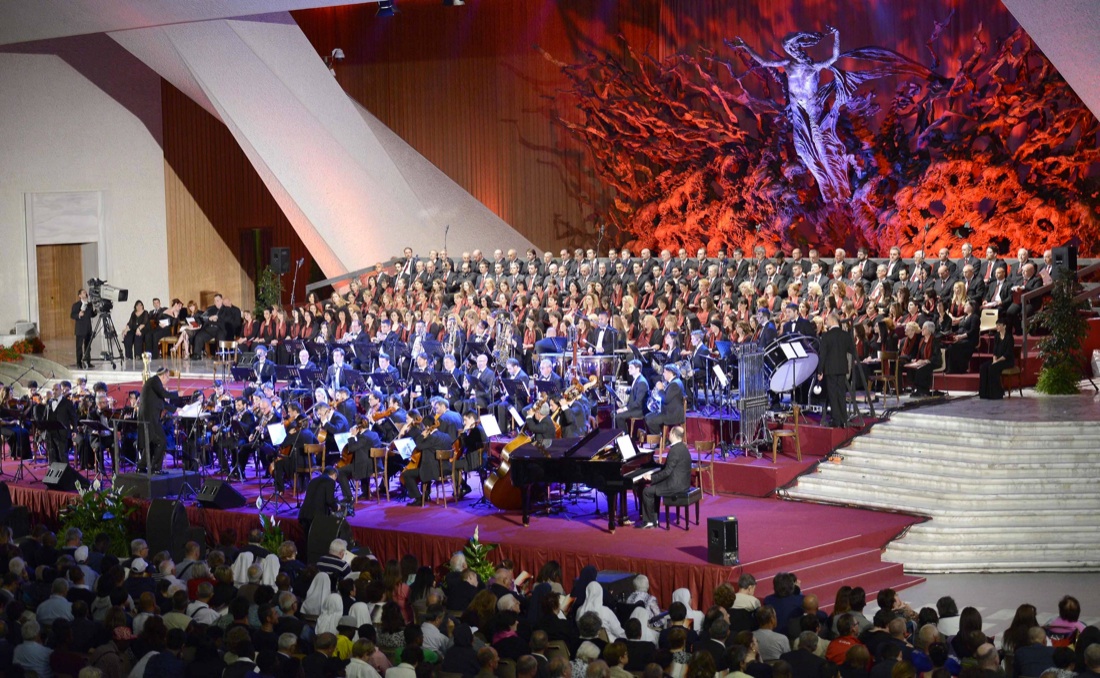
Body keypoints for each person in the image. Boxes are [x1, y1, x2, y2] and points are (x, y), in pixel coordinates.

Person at [635, 425, 691, 529]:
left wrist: (652, 477)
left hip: (675, 485)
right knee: (653, 488)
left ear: (673, 435)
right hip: (683, 482)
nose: (668, 434)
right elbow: (668, 468)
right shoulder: (683, 447)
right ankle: (654, 518)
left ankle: (649, 521)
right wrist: (656, 468)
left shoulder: (674, 451)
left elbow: (667, 472)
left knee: (647, 492)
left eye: (670, 433)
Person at [817, 313, 856, 428]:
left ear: (833, 321)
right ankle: (844, 419)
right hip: (842, 369)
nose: (826, 322)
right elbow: (852, 350)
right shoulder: (845, 335)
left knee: (833, 395)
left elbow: (822, 355)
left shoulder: (826, 336)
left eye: (827, 320)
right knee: (841, 394)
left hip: (830, 369)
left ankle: (836, 420)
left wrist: (820, 371)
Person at [138, 366, 177, 474]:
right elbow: (164, 394)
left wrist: (176, 409)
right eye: (168, 377)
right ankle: (155, 468)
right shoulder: (155, 381)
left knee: (151, 441)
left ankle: (142, 466)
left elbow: (162, 402)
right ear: (163, 375)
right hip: (150, 418)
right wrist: (177, 394)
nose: (168, 379)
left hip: (149, 417)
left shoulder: (154, 385)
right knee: (162, 441)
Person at [979, 316, 1015, 400]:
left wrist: (997, 361)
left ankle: (997, 393)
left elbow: (1007, 354)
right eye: (997, 325)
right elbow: (995, 351)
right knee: (983, 367)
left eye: (999, 325)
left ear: (1004, 326)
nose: (997, 327)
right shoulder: (997, 336)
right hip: (998, 359)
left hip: (1007, 361)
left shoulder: (1009, 338)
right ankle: (985, 393)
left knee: (992, 368)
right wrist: (994, 359)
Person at [299, 466, 339, 538]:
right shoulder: (330, 481)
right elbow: (329, 500)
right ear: (334, 475)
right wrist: (336, 507)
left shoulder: (313, 480)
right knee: (316, 542)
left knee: (307, 541)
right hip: (317, 517)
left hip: (304, 514)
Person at [644, 364, 685, 432]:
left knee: (650, 420)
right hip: (668, 411)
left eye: (665, 372)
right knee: (647, 416)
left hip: (672, 414)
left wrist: (660, 389)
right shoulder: (673, 382)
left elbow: (666, 399)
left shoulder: (675, 384)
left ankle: (661, 439)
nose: (663, 374)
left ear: (670, 373)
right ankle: (659, 437)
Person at [614, 360, 649, 432]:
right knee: (614, 413)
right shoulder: (637, 379)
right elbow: (635, 390)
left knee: (618, 416)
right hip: (634, 407)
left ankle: (625, 437)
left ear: (638, 369)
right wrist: (626, 390)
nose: (628, 369)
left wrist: (624, 409)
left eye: (631, 368)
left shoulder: (642, 382)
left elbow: (638, 403)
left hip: (639, 410)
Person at [71, 288, 95, 369]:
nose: (85, 293)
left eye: (85, 292)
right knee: (79, 347)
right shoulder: (76, 305)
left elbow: (92, 315)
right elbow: (72, 315)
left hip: (88, 328)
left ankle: (88, 361)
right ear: (80, 295)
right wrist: (78, 315)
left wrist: (95, 311)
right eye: (83, 292)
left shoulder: (89, 305)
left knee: (88, 346)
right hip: (80, 329)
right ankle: (79, 362)